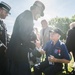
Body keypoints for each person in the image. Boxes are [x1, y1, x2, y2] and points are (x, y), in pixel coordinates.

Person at [7, 1, 45, 75]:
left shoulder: (26, 15)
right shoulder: (28, 15)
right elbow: (24, 36)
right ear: (37, 9)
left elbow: (24, 33)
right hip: (18, 55)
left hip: (17, 53)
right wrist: (36, 46)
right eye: (40, 14)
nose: (40, 16)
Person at [0, 1, 11, 75]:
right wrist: (4, 48)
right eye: (6, 12)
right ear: (0, 9)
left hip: (3, 57)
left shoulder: (3, 24)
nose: (7, 15)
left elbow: (7, 38)